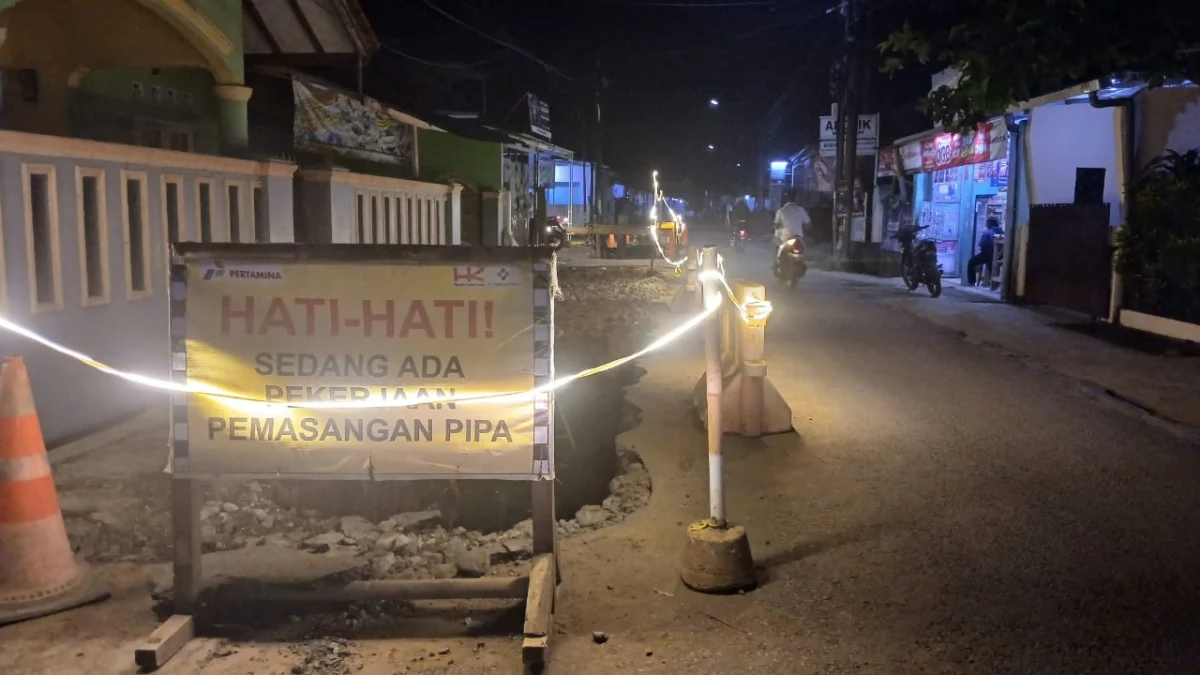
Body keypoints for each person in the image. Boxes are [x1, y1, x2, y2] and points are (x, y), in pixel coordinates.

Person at [968, 217, 1002, 285]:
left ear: (989, 224)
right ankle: (992, 283)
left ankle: (971, 282)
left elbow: (981, 244)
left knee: (971, 262)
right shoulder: (1002, 232)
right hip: (999, 256)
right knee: (992, 265)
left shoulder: (987, 233)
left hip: (986, 255)